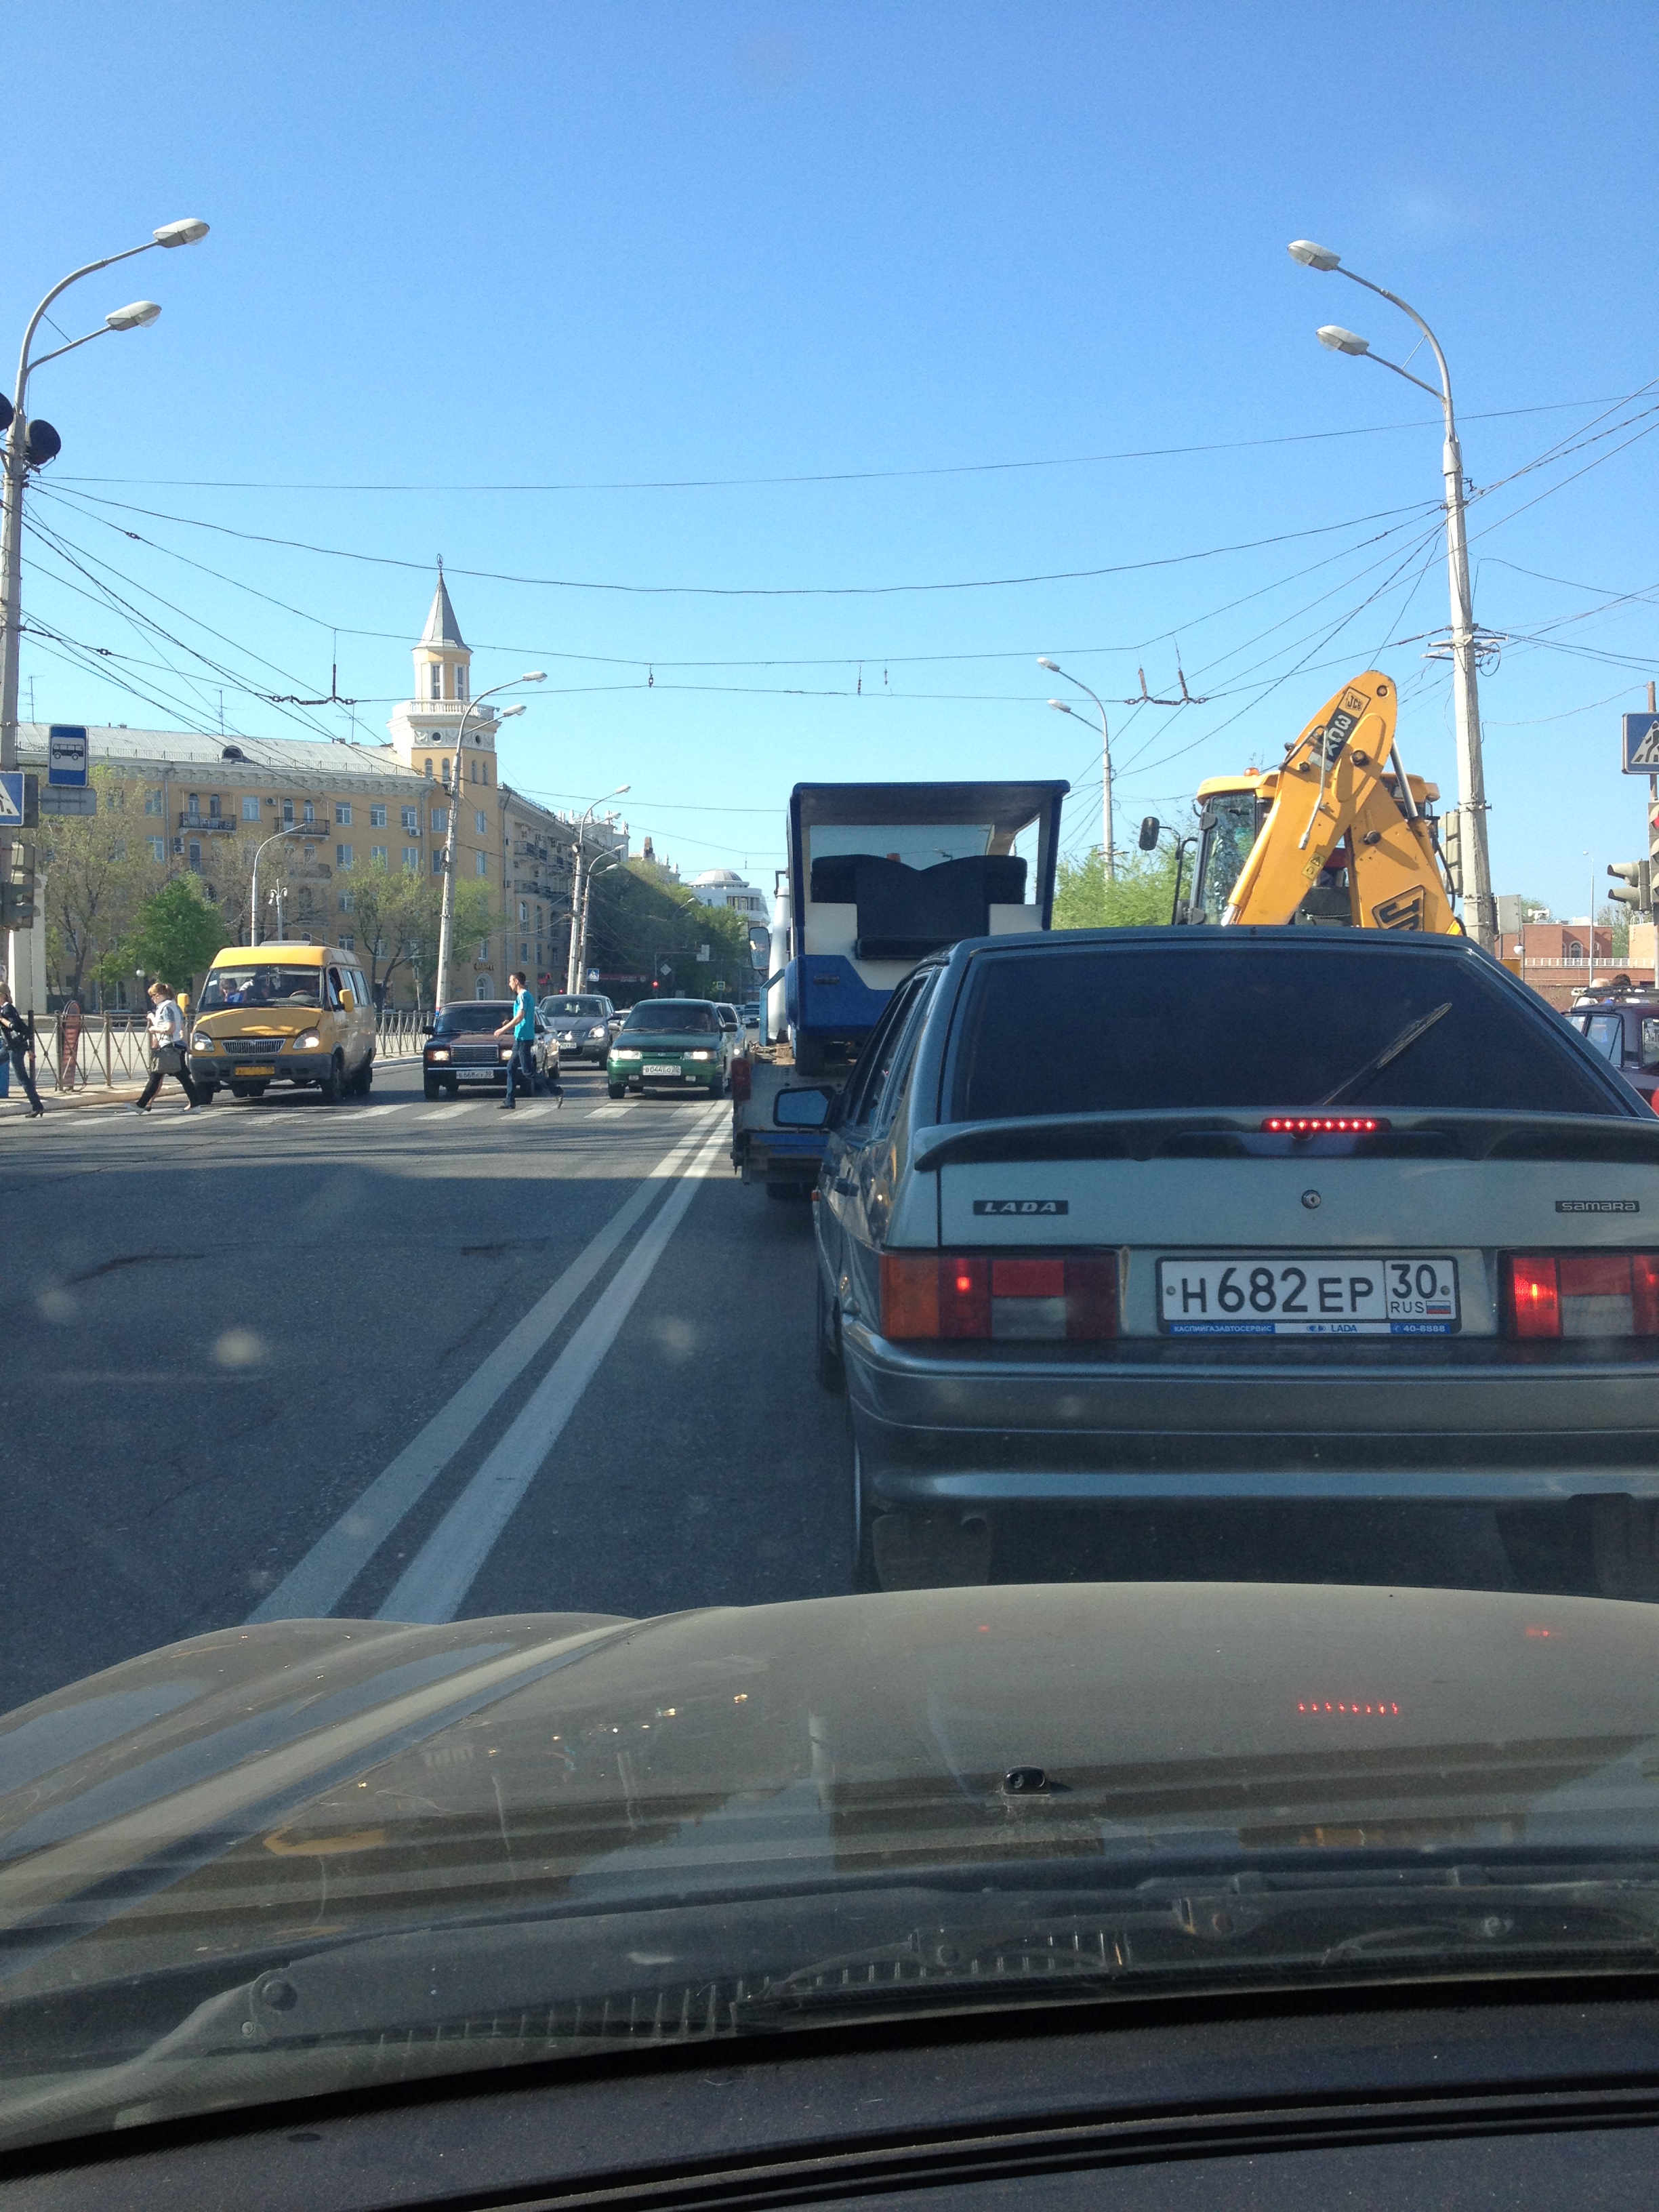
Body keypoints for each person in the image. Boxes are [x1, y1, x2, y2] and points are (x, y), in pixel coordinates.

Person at [131, 981, 201, 1113]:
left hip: (168, 1046)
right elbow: (180, 1026)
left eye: (153, 996)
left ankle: (140, 1105)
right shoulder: (173, 1006)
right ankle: (195, 1104)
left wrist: (154, 1029)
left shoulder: (166, 1008)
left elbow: (170, 1028)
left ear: (159, 995)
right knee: (180, 1078)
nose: (152, 999)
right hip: (176, 1045)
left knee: (157, 1075)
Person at [493, 969, 557, 1109]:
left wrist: (503, 1030)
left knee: (528, 1072)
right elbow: (522, 1017)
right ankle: (510, 1101)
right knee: (511, 1068)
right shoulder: (524, 996)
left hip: (524, 1038)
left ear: (516, 981)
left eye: (511, 981)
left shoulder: (523, 996)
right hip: (520, 1037)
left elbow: (520, 1017)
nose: (509, 984)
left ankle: (556, 1090)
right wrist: (509, 1022)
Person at [0, 983, 44, 1118]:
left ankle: (37, 1106)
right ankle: (37, 1106)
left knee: (22, 1078)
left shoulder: (7, 1009)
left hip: (14, 1049)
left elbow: (15, 1027)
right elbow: (20, 1031)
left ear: (1, 995)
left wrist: (2, 1020)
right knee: (23, 1077)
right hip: (10, 1047)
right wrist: (28, 1049)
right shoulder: (5, 1008)